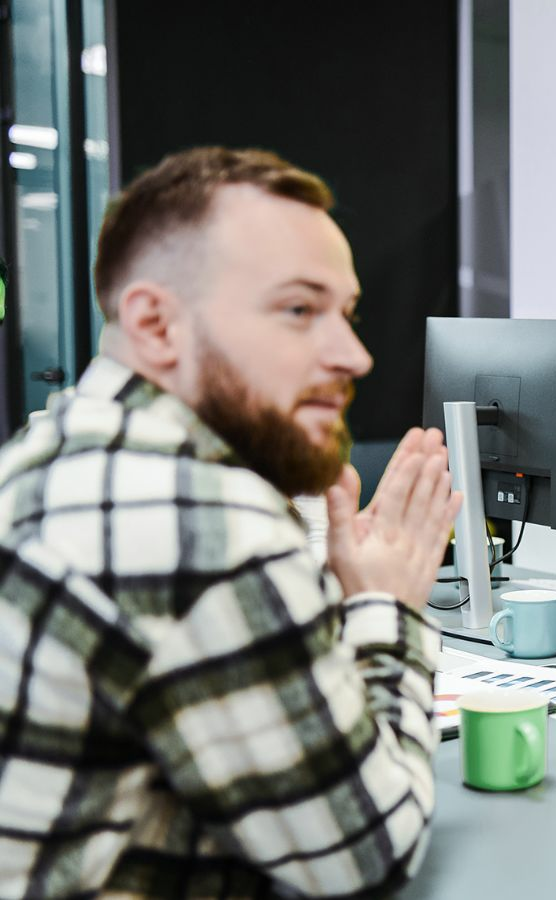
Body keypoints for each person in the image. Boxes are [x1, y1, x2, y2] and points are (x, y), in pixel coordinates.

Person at [0, 147, 460, 896]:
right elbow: (362, 856)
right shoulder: (200, 520)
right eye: (300, 310)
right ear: (156, 323)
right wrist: (389, 606)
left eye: (346, 313)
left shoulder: (50, 448)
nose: (356, 356)